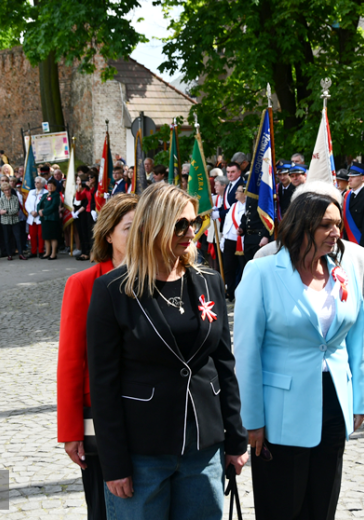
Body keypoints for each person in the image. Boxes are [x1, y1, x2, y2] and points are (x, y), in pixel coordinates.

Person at [86, 183, 248, 519]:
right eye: (179, 225)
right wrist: (113, 463)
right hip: (142, 451)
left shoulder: (208, 281)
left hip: (203, 447)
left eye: (194, 223)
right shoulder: (112, 290)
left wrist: (236, 438)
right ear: (152, 226)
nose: (190, 232)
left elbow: (223, 364)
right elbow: (103, 382)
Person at [234, 187, 364, 520]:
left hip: (334, 403)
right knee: (282, 506)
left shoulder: (343, 270)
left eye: (338, 224)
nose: (336, 233)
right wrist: (251, 420)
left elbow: (357, 336)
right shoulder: (262, 272)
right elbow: (247, 351)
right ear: (301, 225)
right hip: (281, 413)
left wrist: (359, 399)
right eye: (325, 225)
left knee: (322, 506)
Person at [58, 193, 138, 520]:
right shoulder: (84, 283)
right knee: (104, 503)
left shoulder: (161, 277)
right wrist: (71, 430)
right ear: (108, 235)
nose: (138, 235)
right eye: (129, 228)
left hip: (151, 411)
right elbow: (71, 360)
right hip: (99, 413)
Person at [221, 185, 246, 301]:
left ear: (245, 193)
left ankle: (241, 294)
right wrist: (223, 238)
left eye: (239, 191)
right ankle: (230, 293)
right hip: (229, 240)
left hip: (241, 241)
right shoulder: (234, 206)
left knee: (242, 268)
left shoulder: (248, 207)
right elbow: (227, 222)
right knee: (228, 268)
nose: (235, 193)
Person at [345, 162, 364, 252]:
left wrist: (362, 249)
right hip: (346, 242)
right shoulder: (347, 195)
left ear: (363, 178)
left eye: (353, 177)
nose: (349, 179)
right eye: (349, 177)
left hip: (358, 243)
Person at [0, 181, 25, 260]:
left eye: (9, 189)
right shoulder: (1, 199)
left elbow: (16, 209)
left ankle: (21, 253)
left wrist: (5, 211)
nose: (8, 191)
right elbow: (1, 210)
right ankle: (9, 254)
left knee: (18, 237)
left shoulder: (15, 198)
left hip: (15, 221)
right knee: (7, 238)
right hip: (5, 222)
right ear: (3, 191)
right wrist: (7, 212)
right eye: (6, 190)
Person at [37, 178, 61, 260]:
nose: (50, 187)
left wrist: (44, 212)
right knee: (46, 237)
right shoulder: (44, 195)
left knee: (53, 237)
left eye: (52, 186)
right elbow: (39, 204)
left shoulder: (56, 195)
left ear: (55, 186)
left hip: (52, 219)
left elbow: (53, 206)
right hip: (44, 219)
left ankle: (53, 254)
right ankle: (47, 252)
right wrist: (39, 210)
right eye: (49, 185)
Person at [25, 177, 47, 257]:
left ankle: (41, 251)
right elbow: (27, 204)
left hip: (40, 217)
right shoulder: (31, 192)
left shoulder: (46, 192)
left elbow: (46, 205)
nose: (36, 184)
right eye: (35, 182)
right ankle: (33, 251)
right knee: (33, 235)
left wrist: (38, 212)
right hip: (32, 217)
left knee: (40, 235)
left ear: (42, 184)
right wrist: (31, 211)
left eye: (38, 182)